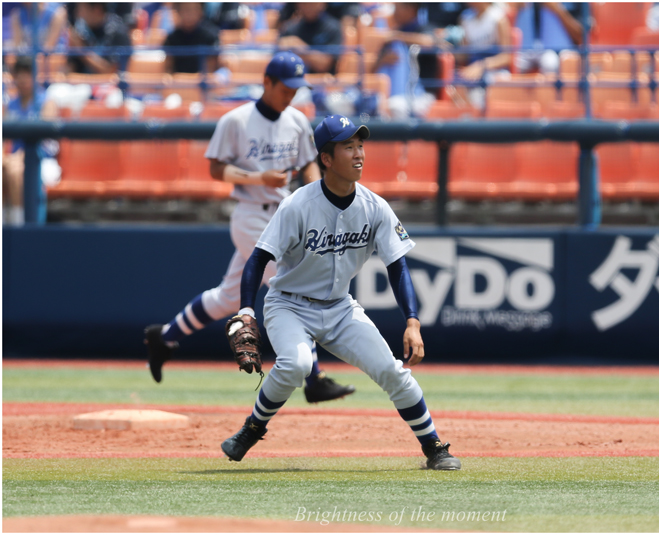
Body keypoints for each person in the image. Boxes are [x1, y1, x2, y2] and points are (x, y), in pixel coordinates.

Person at [219, 113, 462, 471]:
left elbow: (398, 266)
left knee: (393, 372)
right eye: (348, 147)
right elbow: (257, 260)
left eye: (361, 145)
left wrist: (412, 320)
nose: (359, 153)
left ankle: (434, 448)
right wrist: (247, 311)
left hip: (340, 309)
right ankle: (251, 429)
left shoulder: (374, 206)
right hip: (289, 305)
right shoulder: (298, 205)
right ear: (327, 159)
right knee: (297, 363)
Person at [144, 52, 355, 404]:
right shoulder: (236, 120)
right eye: (286, 87)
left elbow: (308, 167)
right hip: (250, 214)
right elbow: (214, 169)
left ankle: (164, 337)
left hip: (285, 214)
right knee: (294, 283)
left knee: (228, 296)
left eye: (296, 88)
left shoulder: (298, 121)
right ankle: (314, 379)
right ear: (267, 82)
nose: (291, 94)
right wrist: (259, 177)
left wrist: (320, 199)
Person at [2, 56, 60, 226]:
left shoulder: (46, 103)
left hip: (44, 161)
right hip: (15, 160)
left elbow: (43, 141)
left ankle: (20, 225)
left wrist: (18, 157)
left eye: (27, 74)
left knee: (14, 171)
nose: (23, 79)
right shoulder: (11, 105)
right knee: (9, 168)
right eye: (18, 75)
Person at [372, 2, 445, 118]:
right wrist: (383, 60)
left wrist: (397, 36)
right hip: (391, 93)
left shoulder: (424, 28)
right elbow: (373, 71)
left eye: (397, 8)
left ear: (411, 9)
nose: (394, 12)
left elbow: (429, 41)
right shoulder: (392, 38)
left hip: (422, 94)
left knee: (395, 107)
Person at [515, 2, 585, 75]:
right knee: (512, 66)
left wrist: (557, 9)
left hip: (557, 51)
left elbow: (581, 35)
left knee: (550, 63)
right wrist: (515, 8)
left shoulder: (577, 4)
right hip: (525, 51)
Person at [66, 2, 131, 74]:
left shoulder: (118, 32)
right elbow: (71, 68)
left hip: (108, 84)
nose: (78, 14)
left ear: (97, 9)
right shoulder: (80, 31)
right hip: (81, 83)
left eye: (82, 9)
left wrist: (82, 50)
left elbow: (110, 71)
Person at [278, 2, 342, 75]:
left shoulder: (334, 28)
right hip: (293, 79)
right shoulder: (289, 29)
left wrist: (301, 49)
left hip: (323, 81)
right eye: (305, 3)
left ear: (323, 3)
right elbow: (280, 60)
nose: (308, 7)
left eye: (312, 3)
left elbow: (324, 65)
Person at [163, 2, 220, 74]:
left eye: (194, 9)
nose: (190, 13)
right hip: (178, 83)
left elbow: (209, 72)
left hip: (202, 83)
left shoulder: (211, 37)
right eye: (186, 9)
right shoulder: (171, 39)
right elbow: (168, 71)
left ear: (201, 11)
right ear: (178, 11)